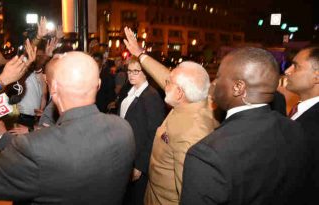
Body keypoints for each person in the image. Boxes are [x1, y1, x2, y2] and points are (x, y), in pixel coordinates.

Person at [0, 51, 135, 205]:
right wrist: (3, 137)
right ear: (98, 84)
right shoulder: (123, 129)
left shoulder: (37, 148)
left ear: (53, 89)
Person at [180, 47, 309, 205]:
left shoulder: (207, 155)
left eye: (218, 77)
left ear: (238, 87)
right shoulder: (295, 129)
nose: (213, 84)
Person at [123, 27, 218, 205]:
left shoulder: (190, 135)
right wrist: (140, 54)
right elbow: (164, 75)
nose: (164, 82)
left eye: (169, 82)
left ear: (180, 93)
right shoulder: (194, 99)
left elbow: (190, 194)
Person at [119, 57, 165, 205]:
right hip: (128, 152)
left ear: (146, 73)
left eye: (136, 71)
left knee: (136, 198)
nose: (131, 75)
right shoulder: (131, 90)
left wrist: (140, 164)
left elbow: (154, 133)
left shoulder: (151, 96)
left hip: (139, 157)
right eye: (129, 71)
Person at [285, 46, 319, 205]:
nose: (288, 71)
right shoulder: (301, 110)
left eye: (296, 66)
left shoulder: (314, 124)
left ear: (316, 76)